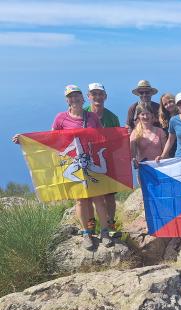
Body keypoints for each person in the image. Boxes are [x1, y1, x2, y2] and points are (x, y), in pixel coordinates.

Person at [13, 85, 110, 250]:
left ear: (82, 98)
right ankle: (87, 233)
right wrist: (24, 139)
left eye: (77, 95)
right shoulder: (61, 118)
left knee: (98, 199)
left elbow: (103, 137)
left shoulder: (92, 117)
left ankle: (105, 233)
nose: (74, 99)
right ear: (67, 100)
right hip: (72, 164)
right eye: (70, 97)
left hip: (90, 162)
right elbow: (50, 139)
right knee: (81, 200)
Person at [84, 82, 120, 233]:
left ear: (105, 96)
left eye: (100, 94)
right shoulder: (83, 114)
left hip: (107, 160)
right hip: (86, 161)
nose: (97, 97)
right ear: (88, 96)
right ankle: (91, 225)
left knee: (109, 195)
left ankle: (110, 223)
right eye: (94, 94)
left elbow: (119, 142)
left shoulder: (112, 118)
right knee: (89, 195)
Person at [130, 102, 167, 169]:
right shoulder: (135, 133)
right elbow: (132, 155)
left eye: (147, 114)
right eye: (142, 114)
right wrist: (134, 161)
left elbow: (166, 153)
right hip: (144, 171)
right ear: (138, 116)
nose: (145, 117)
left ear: (152, 115)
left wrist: (162, 157)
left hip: (160, 168)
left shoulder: (160, 132)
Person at [158, 93, 179, 157]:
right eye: (165, 104)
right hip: (170, 152)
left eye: (170, 102)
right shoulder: (163, 120)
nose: (168, 105)